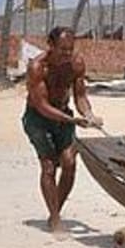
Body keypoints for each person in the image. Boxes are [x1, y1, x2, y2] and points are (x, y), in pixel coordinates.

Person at [22, 27, 102, 233]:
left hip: (64, 115)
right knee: (49, 167)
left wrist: (89, 114)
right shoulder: (37, 67)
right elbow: (41, 105)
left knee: (69, 162)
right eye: (62, 49)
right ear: (50, 45)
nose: (67, 54)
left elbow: (80, 96)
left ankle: (54, 212)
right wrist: (71, 119)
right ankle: (56, 219)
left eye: (70, 49)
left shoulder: (76, 64)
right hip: (38, 119)